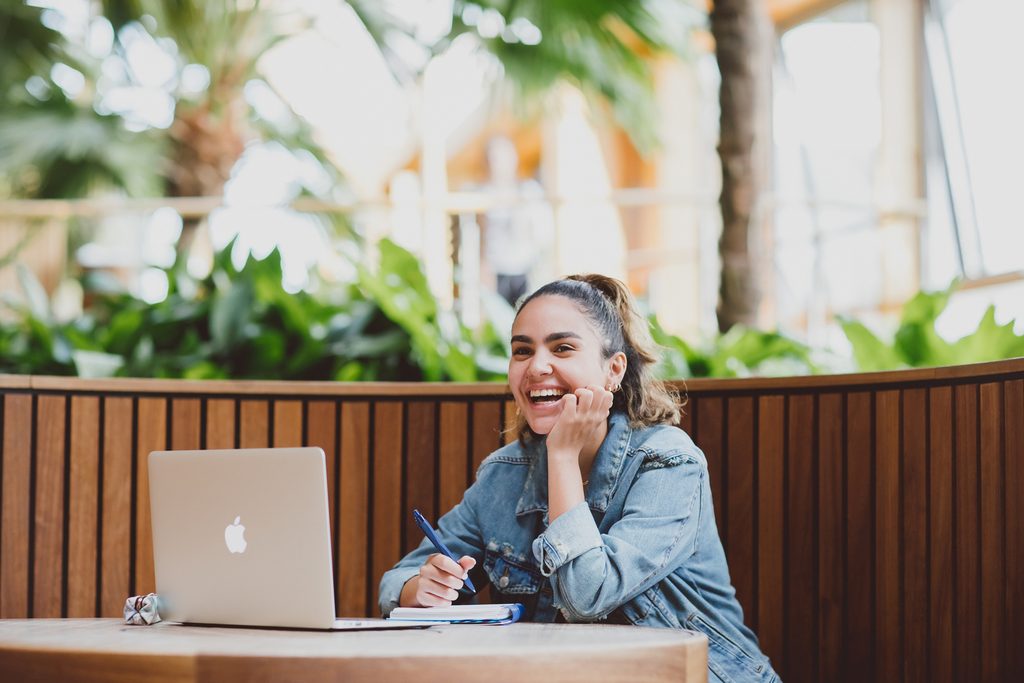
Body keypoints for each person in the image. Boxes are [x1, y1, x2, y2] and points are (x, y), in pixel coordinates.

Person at [379, 274, 779, 683]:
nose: (536, 366)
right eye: (521, 351)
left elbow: (587, 596)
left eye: (562, 348)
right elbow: (397, 580)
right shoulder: (503, 475)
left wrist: (563, 457)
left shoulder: (668, 464)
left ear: (613, 370)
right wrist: (420, 589)